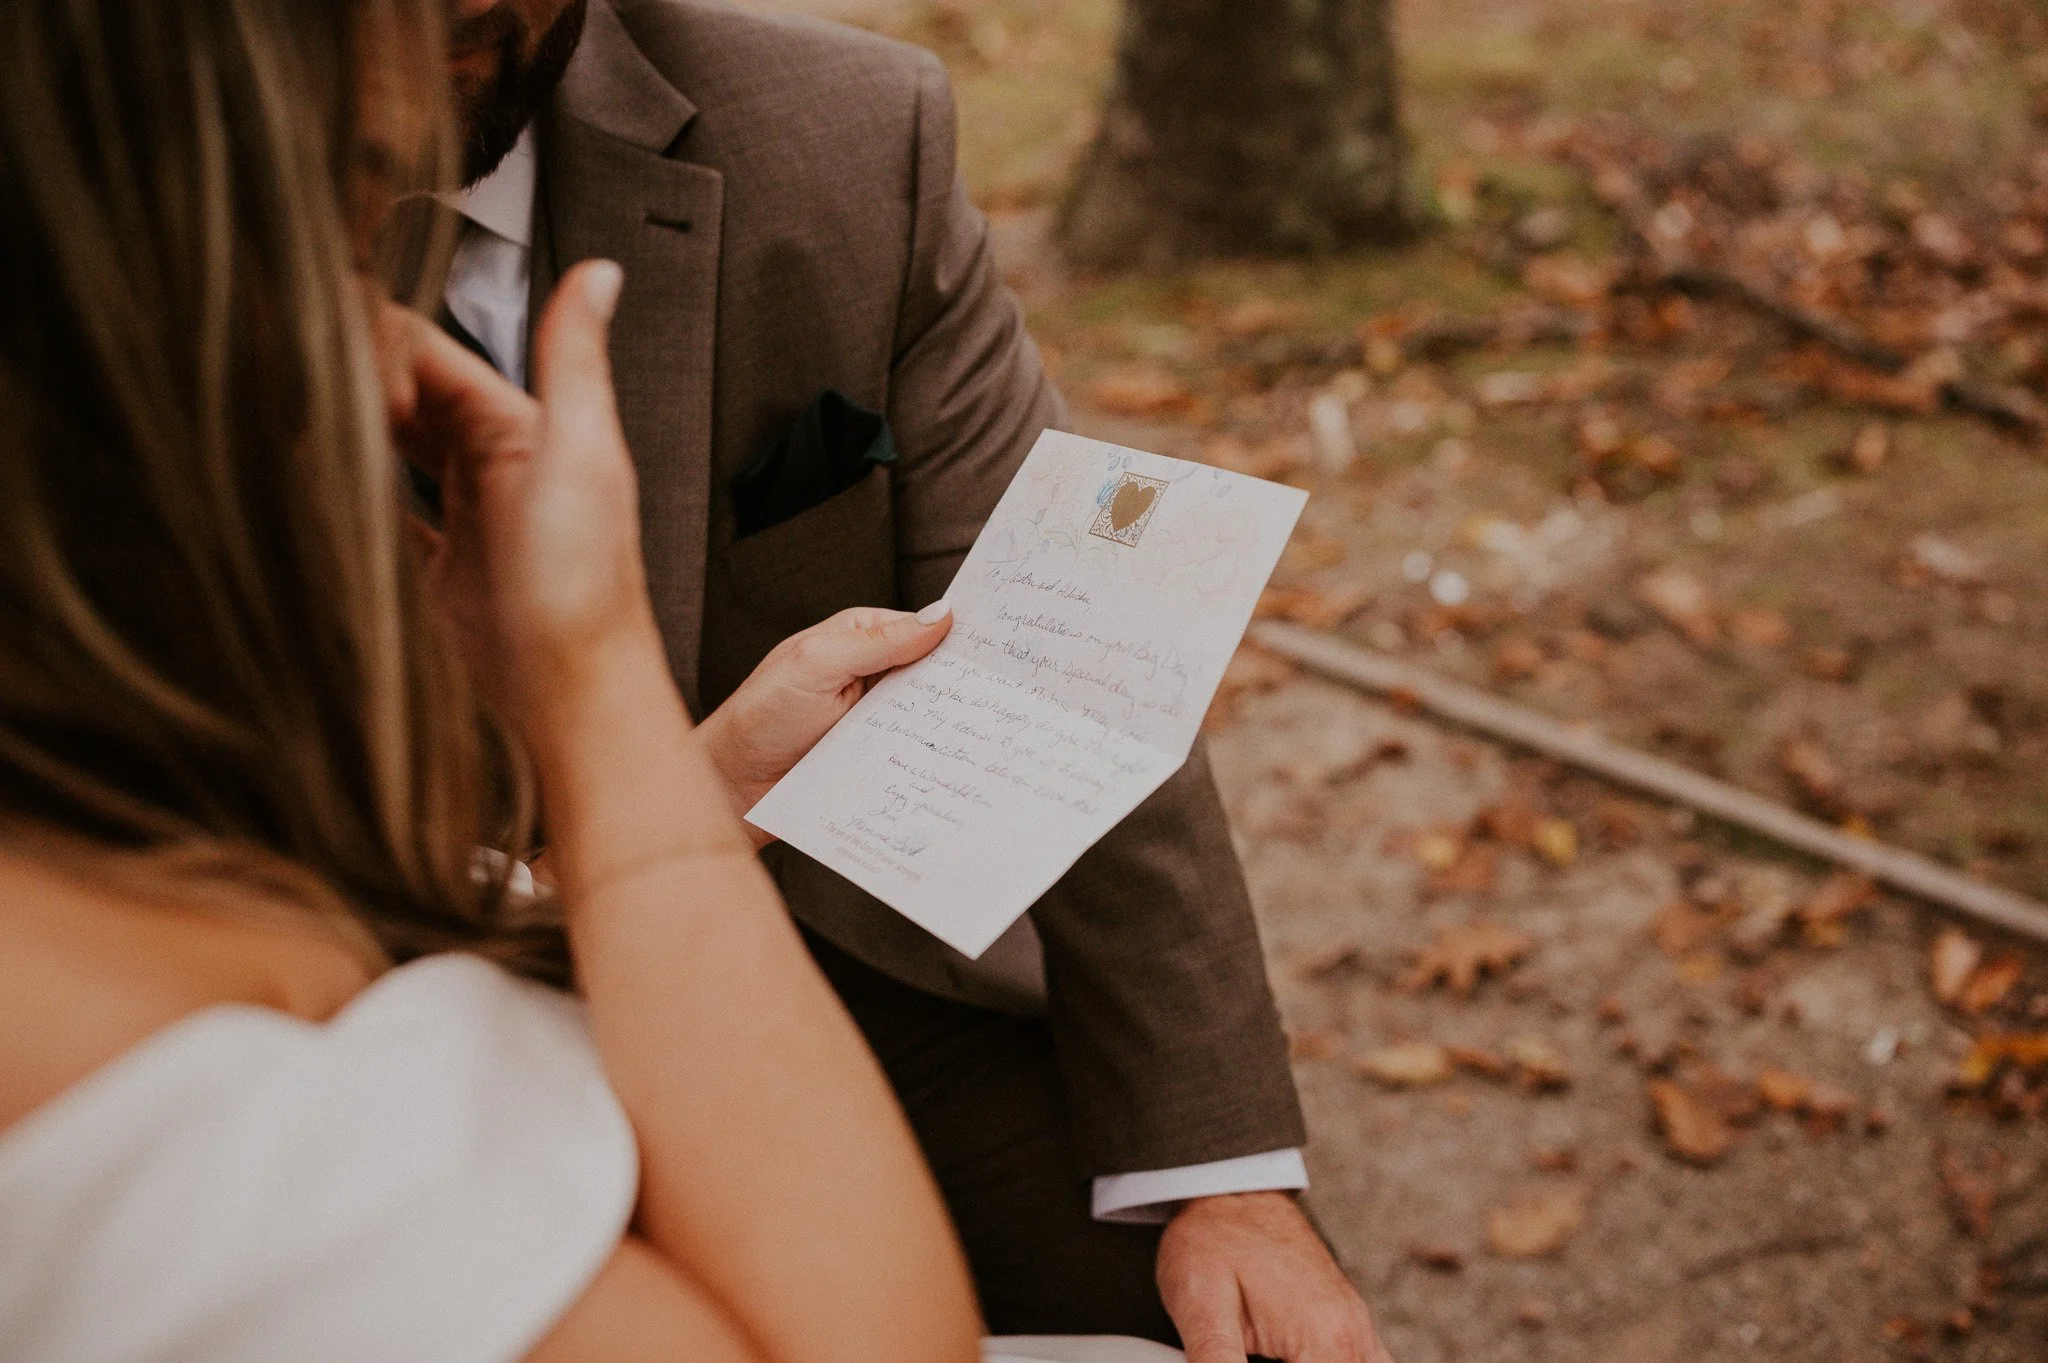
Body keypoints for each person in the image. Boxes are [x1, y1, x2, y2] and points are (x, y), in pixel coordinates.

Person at [0, 2, 1178, 1359]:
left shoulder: (845, 122)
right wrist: (592, 668)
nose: (374, 336)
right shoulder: (109, 1063)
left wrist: (701, 777)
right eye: (334, 220)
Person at [436, 2, 1393, 1357]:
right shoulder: (93, 241)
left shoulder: (844, 133)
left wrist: (1219, 1170)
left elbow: (1062, 642)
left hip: (841, 962)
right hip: (379, 1030)